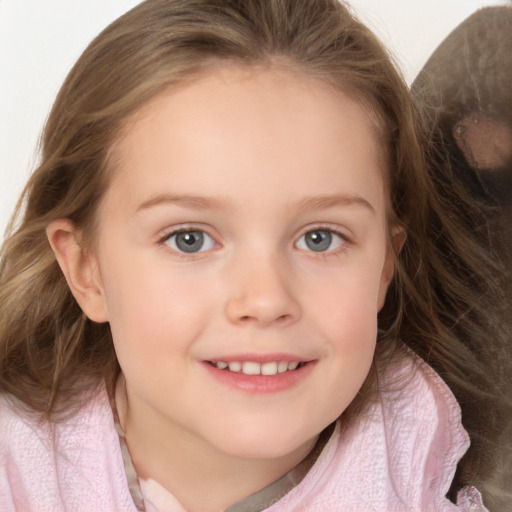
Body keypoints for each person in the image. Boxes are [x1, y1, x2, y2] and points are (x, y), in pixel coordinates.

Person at [0, 0, 506, 510]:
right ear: (86, 271)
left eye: (320, 238)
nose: (265, 300)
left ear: (383, 267)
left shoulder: (412, 471)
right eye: (189, 238)